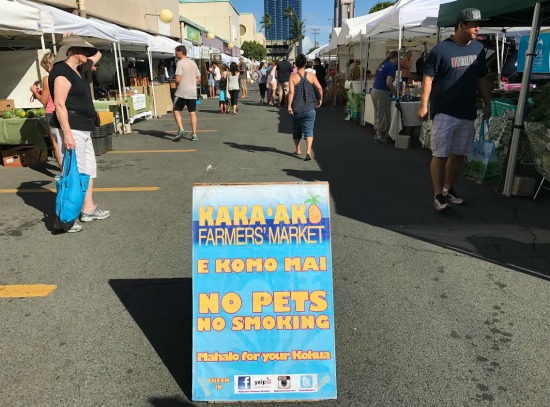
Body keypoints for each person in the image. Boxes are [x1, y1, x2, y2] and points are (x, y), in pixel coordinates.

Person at [417, 8, 491, 212]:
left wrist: (487, 102)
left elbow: (481, 78)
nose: (478, 27)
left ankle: (448, 189)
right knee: (440, 154)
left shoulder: (478, 49)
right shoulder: (441, 50)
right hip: (445, 111)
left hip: (467, 112)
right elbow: (428, 78)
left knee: (458, 154)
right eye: (474, 24)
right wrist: (423, 105)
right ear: (461, 25)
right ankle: (437, 194)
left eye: (479, 24)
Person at [48, 35, 109, 233]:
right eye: (84, 51)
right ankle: (65, 218)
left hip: (83, 127)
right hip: (71, 127)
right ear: (73, 51)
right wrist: (67, 134)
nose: (89, 55)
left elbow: (97, 54)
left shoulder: (79, 68)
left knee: (88, 169)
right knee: (73, 174)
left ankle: (88, 209)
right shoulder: (61, 72)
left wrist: (86, 36)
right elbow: (59, 105)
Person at [287, 53, 323, 161]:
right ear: (306, 63)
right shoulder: (311, 76)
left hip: (297, 108)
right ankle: (308, 151)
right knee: (309, 130)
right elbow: (320, 88)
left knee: (296, 129)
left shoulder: (293, 77)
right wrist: (320, 99)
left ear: (296, 64)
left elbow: (291, 92)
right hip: (310, 107)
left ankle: (298, 149)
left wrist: (289, 106)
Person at [30, 52, 61, 169]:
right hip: (64, 110)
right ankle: (73, 169)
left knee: (56, 144)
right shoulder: (64, 76)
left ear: (48, 64)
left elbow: (44, 100)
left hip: (51, 112)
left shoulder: (47, 79)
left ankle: (63, 171)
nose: (46, 70)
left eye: (45, 67)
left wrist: (34, 91)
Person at [172, 45, 201, 142]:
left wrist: (178, 82)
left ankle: (181, 129)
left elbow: (177, 79)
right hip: (192, 91)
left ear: (180, 52)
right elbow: (199, 78)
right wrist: (191, 81)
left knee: (176, 109)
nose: (175, 54)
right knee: (192, 112)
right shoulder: (193, 63)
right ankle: (194, 134)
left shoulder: (180, 63)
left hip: (182, 91)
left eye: (176, 52)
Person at [371, 51, 398, 143]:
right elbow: (389, 82)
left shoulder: (384, 64)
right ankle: (379, 135)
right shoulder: (391, 66)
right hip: (382, 92)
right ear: (395, 58)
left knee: (378, 113)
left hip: (375, 90)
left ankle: (377, 133)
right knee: (381, 114)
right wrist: (395, 92)